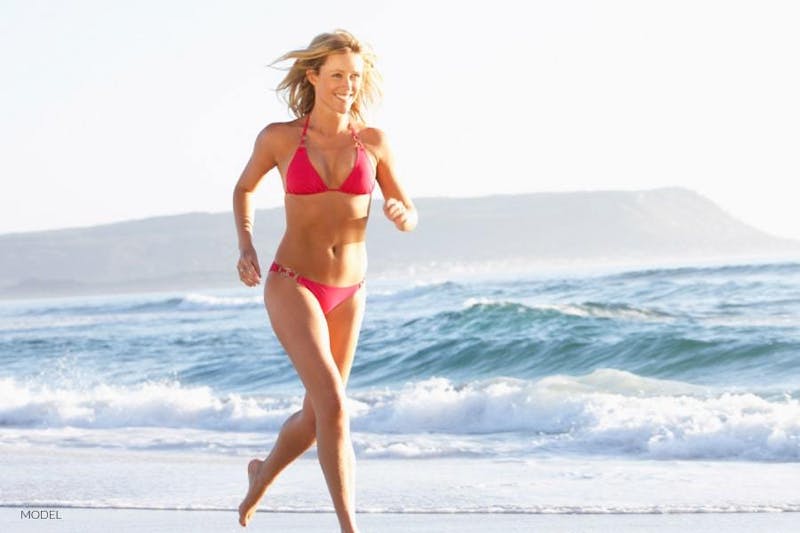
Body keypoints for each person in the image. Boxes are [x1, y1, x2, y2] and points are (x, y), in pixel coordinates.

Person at [233, 30, 417, 532]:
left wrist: (402, 215)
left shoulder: (374, 142)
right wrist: (246, 244)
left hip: (350, 292)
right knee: (334, 404)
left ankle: (260, 476)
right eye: (337, 75)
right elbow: (245, 187)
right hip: (293, 281)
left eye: (354, 77)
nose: (347, 86)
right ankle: (349, 527)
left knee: (317, 418)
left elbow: (407, 208)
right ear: (313, 76)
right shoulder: (280, 138)